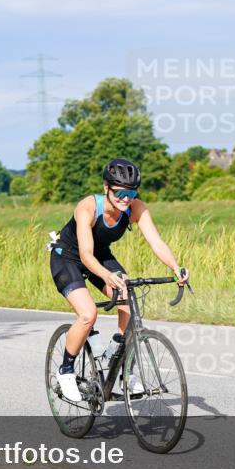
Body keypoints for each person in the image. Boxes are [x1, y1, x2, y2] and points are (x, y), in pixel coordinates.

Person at [48, 157, 189, 401]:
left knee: (128, 300)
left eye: (131, 192)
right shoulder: (88, 207)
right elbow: (85, 254)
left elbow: (156, 242)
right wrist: (106, 276)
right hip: (68, 257)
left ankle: (121, 360)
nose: (126, 198)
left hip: (100, 255)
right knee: (87, 314)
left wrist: (176, 267)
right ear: (106, 189)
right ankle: (66, 371)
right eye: (120, 192)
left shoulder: (135, 207)